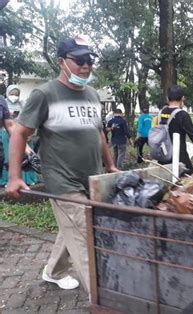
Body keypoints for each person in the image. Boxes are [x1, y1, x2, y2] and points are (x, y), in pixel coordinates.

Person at [6, 35, 118, 296]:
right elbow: (20, 133)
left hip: (91, 179)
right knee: (86, 235)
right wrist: (14, 176)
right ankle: (107, 301)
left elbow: (99, 133)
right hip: (62, 181)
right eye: (79, 60)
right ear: (61, 62)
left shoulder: (91, 95)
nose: (86, 66)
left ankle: (53, 271)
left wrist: (110, 165)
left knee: (73, 226)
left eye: (89, 60)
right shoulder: (44, 94)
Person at [157, 85, 193, 174]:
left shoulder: (161, 113)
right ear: (182, 98)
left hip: (163, 155)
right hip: (179, 157)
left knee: (167, 183)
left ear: (167, 98)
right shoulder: (182, 115)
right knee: (189, 181)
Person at [0, 85, 38, 186]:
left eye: (16, 94)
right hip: (3, 135)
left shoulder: (3, 102)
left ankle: (24, 180)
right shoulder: (5, 101)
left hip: (17, 135)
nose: (14, 96)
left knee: (20, 158)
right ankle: (5, 181)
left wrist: (29, 150)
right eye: (12, 93)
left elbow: (11, 125)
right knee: (8, 157)